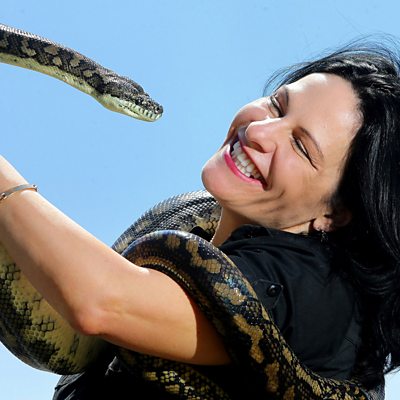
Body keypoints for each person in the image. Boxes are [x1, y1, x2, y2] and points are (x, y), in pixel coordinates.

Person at [1, 42, 400, 399]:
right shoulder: (194, 235)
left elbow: (101, 303)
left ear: (336, 213)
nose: (259, 131)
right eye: (277, 105)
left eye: (300, 145)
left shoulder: (314, 292)